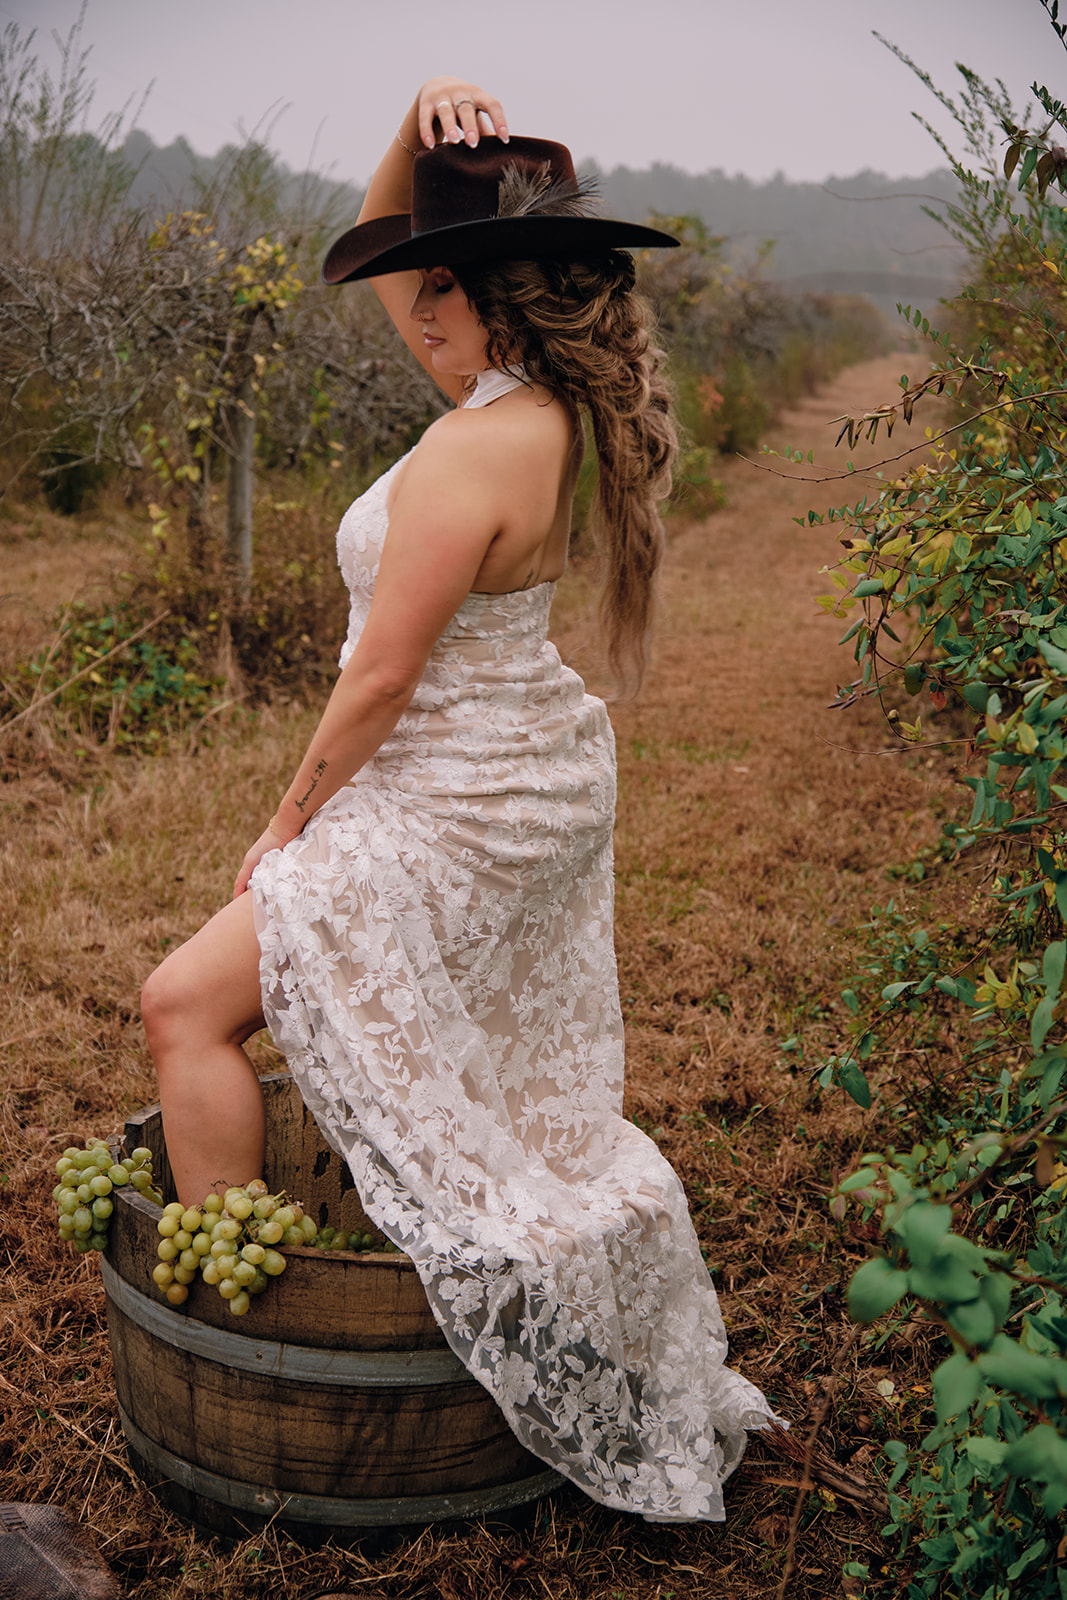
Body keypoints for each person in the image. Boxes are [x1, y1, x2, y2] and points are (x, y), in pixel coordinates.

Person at [141, 76, 777, 1522]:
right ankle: (381, 1272)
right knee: (430, 1056)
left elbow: (374, 686)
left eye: (431, 292)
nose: (408, 316)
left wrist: (284, 828)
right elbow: (376, 246)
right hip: (519, 774)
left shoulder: (470, 451)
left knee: (184, 1003)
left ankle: (241, 1331)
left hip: (454, 794)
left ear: (480, 300)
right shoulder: (551, 411)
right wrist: (413, 122)